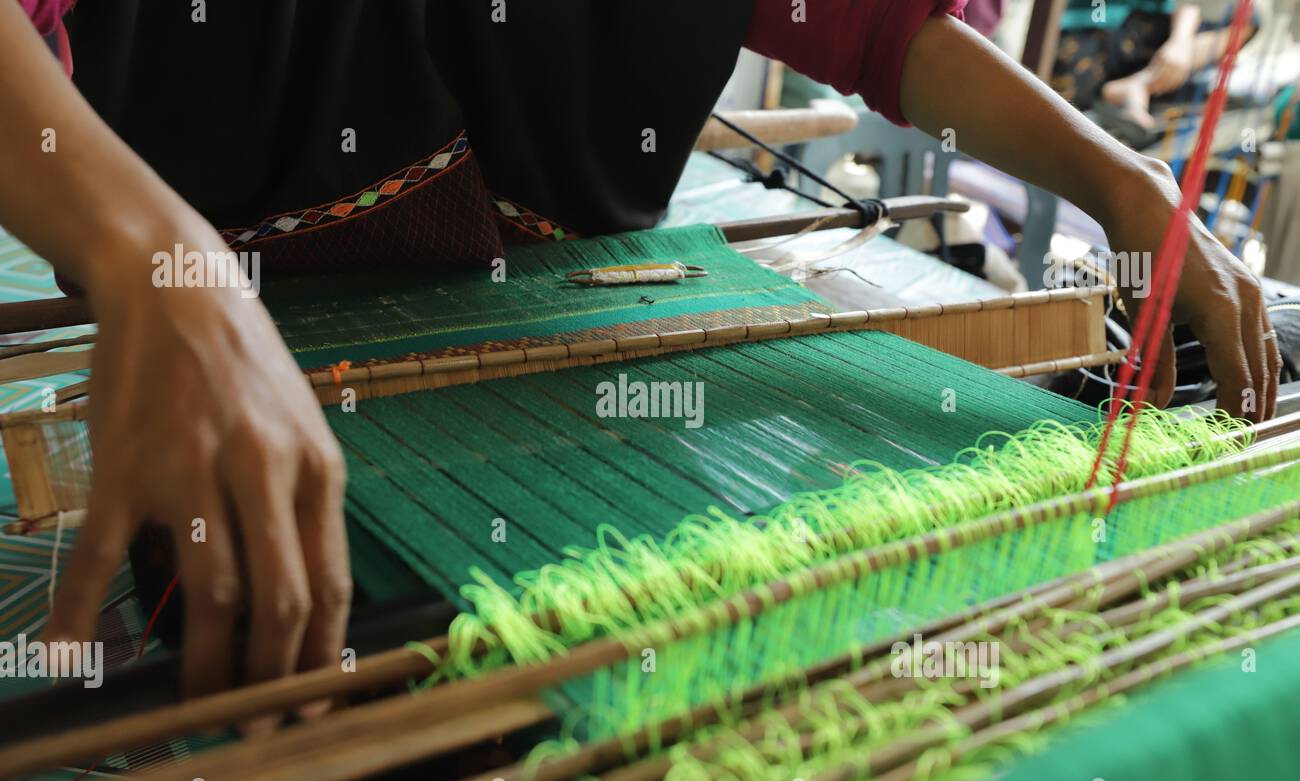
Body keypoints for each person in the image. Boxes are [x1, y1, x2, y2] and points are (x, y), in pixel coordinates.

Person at [1, 1, 1277, 720]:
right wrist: (152, 251)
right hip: (230, 358)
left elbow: (883, 35)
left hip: (577, 356)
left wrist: (1125, 183)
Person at [1053, 0, 1260, 130]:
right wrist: (1180, 42)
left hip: (1144, 50)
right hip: (1093, 36)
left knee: (1248, 17)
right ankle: (1137, 86)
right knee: (1057, 119)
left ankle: (1138, 85)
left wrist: (1181, 43)